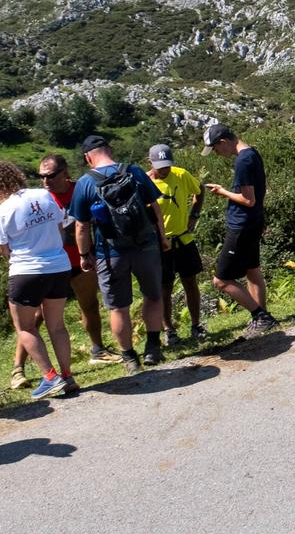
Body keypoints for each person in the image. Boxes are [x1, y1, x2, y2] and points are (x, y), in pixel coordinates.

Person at [0, 159, 80, 400]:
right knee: (57, 325)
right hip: (59, 266)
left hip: (26, 270)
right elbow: (60, 227)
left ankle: (49, 377)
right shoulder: (44, 195)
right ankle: (67, 376)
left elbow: (5, 250)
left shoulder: (0, 211)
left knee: (24, 327)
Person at [71, 134, 168, 371]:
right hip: (145, 245)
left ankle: (129, 357)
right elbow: (155, 206)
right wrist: (162, 238)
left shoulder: (85, 183)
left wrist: (84, 255)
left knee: (118, 307)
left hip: (110, 252)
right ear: (109, 150)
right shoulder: (133, 171)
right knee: (153, 296)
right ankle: (153, 348)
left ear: (88, 157)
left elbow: (81, 225)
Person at [34, 152, 108, 375]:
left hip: (80, 260)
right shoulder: (38, 198)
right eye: (41, 176)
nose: (46, 181)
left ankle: (98, 349)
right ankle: (18, 369)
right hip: (52, 263)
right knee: (36, 316)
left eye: (51, 175)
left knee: (89, 305)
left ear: (65, 173)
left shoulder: (82, 189)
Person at [203, 122, 279, 336]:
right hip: (253, 222)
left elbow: (248, 199)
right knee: (252, 271)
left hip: (241, 226)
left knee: (221, 280)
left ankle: (261, 316)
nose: (217, 154)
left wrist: (222, 191)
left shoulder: (243, 161)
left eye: (216, 149)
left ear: (223, 142)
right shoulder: (252, 153)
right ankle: (263, 318)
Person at [147, 143, 208, 346]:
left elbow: (199, 191)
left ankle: (196, 325)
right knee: (165, 287)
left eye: (167, 165)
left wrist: (194, 216)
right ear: (151, 163)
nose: (164, 169)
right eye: (160, 166)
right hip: (161, 244)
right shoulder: (145, 183)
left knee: (190, 282)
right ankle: (169, 330)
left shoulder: (180, 174)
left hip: (184, 239)